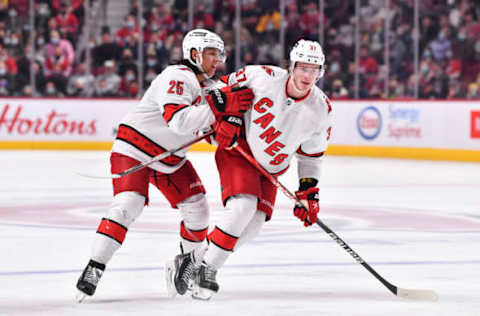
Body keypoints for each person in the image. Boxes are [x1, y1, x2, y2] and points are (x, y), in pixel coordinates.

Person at [75, 28, 254, 302]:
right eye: (211, 53)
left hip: (170, 158)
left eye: (219, 54)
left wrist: (227, 127)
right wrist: (220, 109)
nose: (217, 60)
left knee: (199, 212)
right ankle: (95, 266)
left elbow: (213, 129)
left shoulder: (213, 89)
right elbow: (179, 121)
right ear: (193, 54)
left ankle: (185, 264)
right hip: (134, 148)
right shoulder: (176, 76)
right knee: (128, 204)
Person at [170, 39, 333, 300]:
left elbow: (311, 156)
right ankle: (208, 269)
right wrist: (231, 117)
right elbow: (218, 90)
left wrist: (308, 192)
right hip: (239, 149)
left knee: (253, 225)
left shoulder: (321, 109)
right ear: (292, 67)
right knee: (242, 207)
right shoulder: (262, 76)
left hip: (271, 168)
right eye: (303, 68)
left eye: (314, 70)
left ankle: (192, 259)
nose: (308, 76)